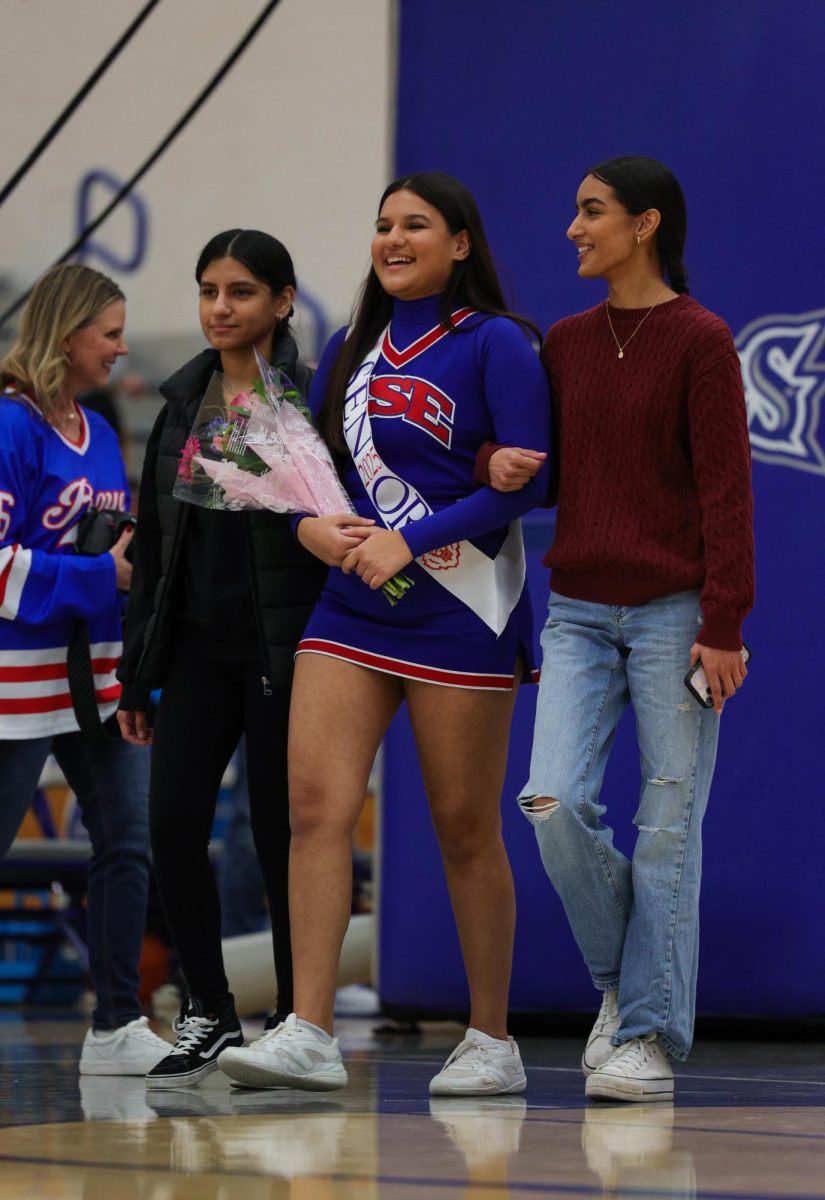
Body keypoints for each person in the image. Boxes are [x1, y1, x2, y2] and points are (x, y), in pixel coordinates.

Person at [217, 171, 551, 1096]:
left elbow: (528, 482)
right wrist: (310, 529)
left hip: (459, 604)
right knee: (315, 809)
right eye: (382, 226)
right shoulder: (347, 349)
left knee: (460, 826)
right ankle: (309, 1029)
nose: (393, 240)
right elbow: (300, 476)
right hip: (353, 604)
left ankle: (491, 1039)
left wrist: (412, 537)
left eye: (415, 225)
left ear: (460, 244)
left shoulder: (499, 344)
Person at [480, 155, 754, 1102]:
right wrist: (493, 459)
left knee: (667, 826)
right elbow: (549, 470)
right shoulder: (562, 339)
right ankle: (628, 979)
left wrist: (723, 623)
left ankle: (641, 1033)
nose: (571, 228)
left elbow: (726, 492)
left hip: (678, 618)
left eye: (589, 211)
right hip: (577, 614)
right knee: (550, 804)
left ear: (644, 225)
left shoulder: (700, 339)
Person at [116, 230, 327, 1088]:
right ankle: (207, 1005)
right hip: (199, 653)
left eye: (241, 291)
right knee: (170, 826)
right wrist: (139, 670)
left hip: (287, 656)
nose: (220, 308)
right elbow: (157, 554)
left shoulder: (316, 400)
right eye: (208, 290)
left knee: (281, 842)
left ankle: (290, 1016)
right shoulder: (180, 403)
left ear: (282, 301)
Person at [0, 263, 169, 1075]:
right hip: (15, 682)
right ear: (66, 336)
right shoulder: (9, 427)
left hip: (98, 673)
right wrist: (101, 576)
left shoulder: (100, 432)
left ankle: (116, 1025)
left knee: (127, 842)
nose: (120, 347)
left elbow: (108, 548)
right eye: (109, 333)